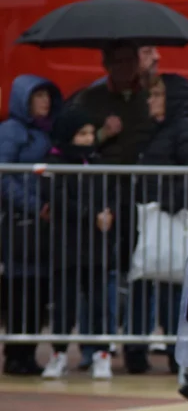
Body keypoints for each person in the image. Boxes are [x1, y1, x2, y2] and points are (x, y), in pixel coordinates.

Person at [125, 77, 188, 375]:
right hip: (150, 217)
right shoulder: (154, 129)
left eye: (157, 95)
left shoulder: (182, 129)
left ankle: (173, 352)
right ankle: (136, 351)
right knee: (144, 281)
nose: (150, 100)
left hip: (167, 216)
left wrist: (172, 200)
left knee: (171, 286)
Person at [40, 106, 114, 379]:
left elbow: (108, 193)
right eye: (82, 134)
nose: (88, 139)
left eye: (91, 133)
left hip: (95, 249)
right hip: (66, 247)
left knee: (97, 305)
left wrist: (107, 212)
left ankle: (100, 354)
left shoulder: (96, 161)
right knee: (64, 305)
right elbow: (57, 199)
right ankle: (58, 354)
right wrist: (89, 214)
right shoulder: (56, 163)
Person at [0, 75, 62, 375]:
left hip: (41, 224)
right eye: (38, 96)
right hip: (20, 223)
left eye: (47, 96)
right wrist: (35, 205)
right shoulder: (11, 131)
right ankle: (15, 354)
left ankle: (27, 354)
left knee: (37, 290)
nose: (45, 101)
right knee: (19, 289)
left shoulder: (45, 132)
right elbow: (4, 175)